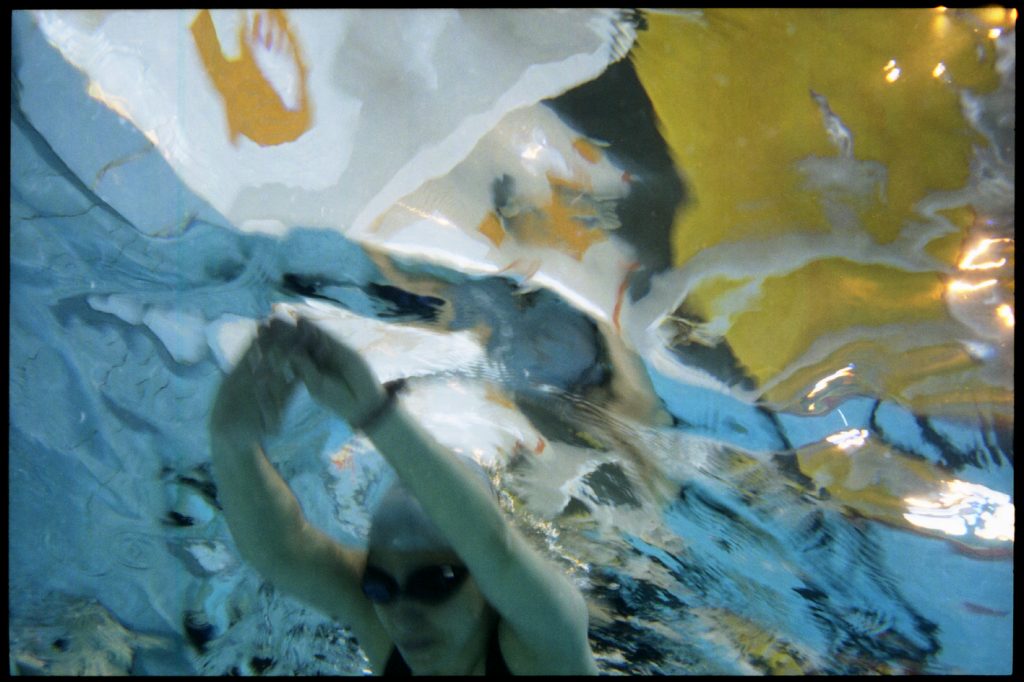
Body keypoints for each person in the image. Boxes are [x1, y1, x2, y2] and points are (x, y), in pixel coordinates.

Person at [208, 314, 598, 675]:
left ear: (486, 583)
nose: (403, 616)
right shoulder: (394, 628)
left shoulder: (546, 651)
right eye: (377, 587)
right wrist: (231, 445)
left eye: (434, 583)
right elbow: (286, 551)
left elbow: (498, 551)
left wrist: (375, 413)